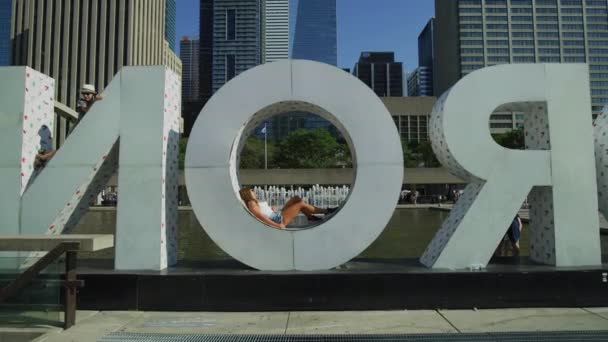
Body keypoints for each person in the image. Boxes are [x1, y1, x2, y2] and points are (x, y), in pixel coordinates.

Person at [239, 187, 336, 229]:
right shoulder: (251, 203)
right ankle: (326, 211)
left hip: (276, 214)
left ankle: (310, 217)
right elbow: (261, 217)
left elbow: (263, 213)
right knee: (300, 204)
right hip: (277, 219)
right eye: (251, 190)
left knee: (296, 198)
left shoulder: (254, 202)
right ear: (247, 193)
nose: (254, 191)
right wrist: (277, 225)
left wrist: (270, 209)